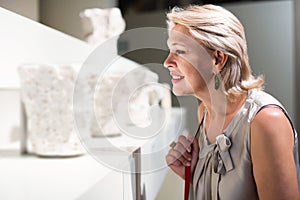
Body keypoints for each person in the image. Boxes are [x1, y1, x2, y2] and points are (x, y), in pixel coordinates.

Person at [164, 4, 300, 200]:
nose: (167, 61)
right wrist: (193, 173)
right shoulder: (205, 112)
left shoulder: (266, 121)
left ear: (218, 59)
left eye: (180, 51)